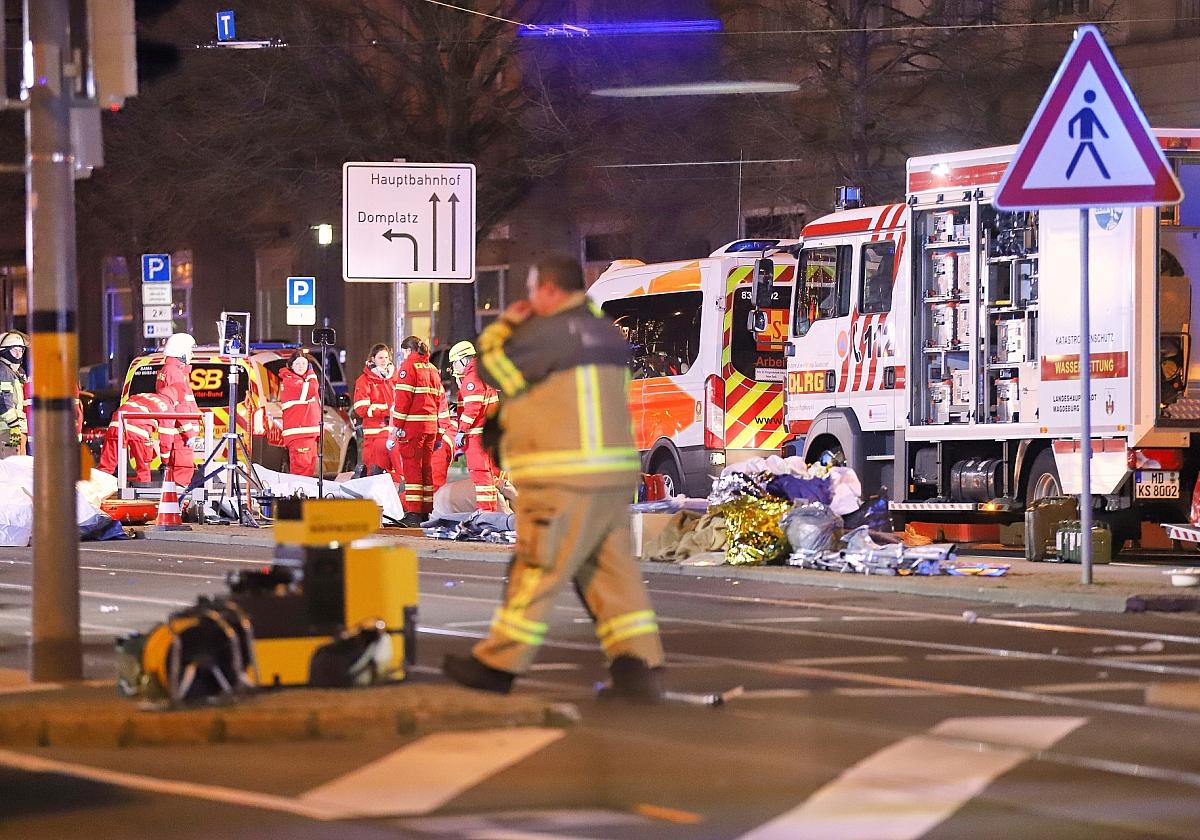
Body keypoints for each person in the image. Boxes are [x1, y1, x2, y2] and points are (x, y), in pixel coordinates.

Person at [441, 255, 666, 701]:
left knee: (534, 568)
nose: (527, 299)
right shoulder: (605, 331)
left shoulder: (547, 332)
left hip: (565, 475)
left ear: (547, 289)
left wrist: (507, 323)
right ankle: (638, 668)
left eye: (530, 290)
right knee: (612, 575)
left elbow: (491, 368)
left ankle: (497, 665)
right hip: (612, 474)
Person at [387, 336, 444, 525]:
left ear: (408, 351)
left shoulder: (407, 368)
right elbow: (438, 401)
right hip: (430, 427)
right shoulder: (432, 369)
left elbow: (403, 402)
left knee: (412, 470)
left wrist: (396, 428)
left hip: (412, 428)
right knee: (426, 469)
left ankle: (413, 513)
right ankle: (426, 511)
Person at [448, 340, 500, 512]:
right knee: (488, 476)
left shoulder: (472, 378)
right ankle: (490, 512)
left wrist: (461, 430)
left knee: (481, 475)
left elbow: (472, 408)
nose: (455, 367)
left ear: (464, 360)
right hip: (487, 434)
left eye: (455, 362)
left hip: (477, 436)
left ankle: (485, 513)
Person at [353, 343, 403, 483]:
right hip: (374, 434)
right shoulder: (364, 381)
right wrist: (385, 411)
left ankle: (399, 502)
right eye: (380, 358)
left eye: (386, 357)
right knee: (373, 473)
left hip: (393, 433)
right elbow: (360, 408)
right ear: (373, 359)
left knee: (399, 472)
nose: (384, 361)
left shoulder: (396, 378)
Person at [98, 392, 174, 483]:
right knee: (143, 470)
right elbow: (166, 439)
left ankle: (95, 491)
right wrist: (165, 461)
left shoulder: (143, 395)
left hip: (116, 424)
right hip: (139, 429)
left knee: (106, 466)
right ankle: (143, 492)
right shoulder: (167, 407)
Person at [156, 333, 201, 487]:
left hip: (178, 431)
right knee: (182, 473)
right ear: (181, 352)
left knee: (177, 473)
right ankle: (180, 507)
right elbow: (180, 406)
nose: (192, 354)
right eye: (189, 351)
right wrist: (189, 432)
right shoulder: (174, 373)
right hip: (181, 434)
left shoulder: (170, 371)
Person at [279, 352, 322, 477]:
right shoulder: (291, 382)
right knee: (301, 472)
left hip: (308, 434)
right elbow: (312, 390)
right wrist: (311, 374)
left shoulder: (301, 381)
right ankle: (299, 496)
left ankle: (304, 496)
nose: (300, 366)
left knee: (308, 470)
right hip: (300, 435)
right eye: (297, 363)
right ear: (291, 366)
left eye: (304, 363)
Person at [0, 331, 28, 453]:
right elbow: (3, 400)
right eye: (14, 350)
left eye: (21, 350)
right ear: (5, 351)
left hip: (15, 429)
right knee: (11, 465)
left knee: (18, 465)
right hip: (8, 430)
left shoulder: (13, 372)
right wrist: (14, 426)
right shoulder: (4, 371)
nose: (18, 354)